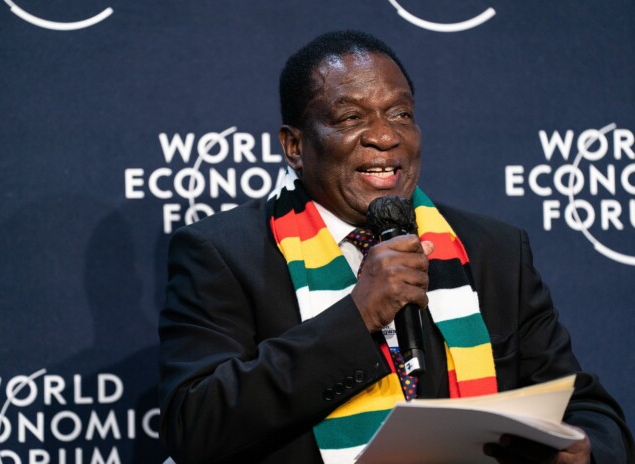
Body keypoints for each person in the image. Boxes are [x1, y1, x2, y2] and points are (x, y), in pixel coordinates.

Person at [158, 30, 632, 464]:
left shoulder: (494, 250)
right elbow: (194, 426)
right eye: (351, 117)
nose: (385, 136)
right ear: (295, 146)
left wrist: (584, 452)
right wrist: (357, 316)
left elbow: (588, 410)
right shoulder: (222, 255)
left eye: (401, 114)